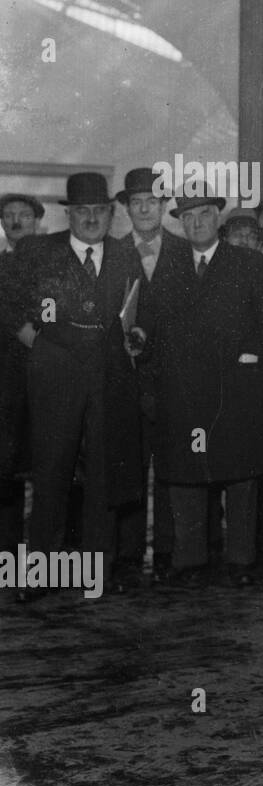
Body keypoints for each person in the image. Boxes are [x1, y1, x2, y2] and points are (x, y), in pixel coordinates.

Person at [0, 172, 148, 598]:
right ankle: (42, 573)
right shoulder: (37, 250)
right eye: (82, 211)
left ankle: (94, 573)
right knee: (51, 470)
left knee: (102, 472)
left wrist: (137, 335)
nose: (90, 218)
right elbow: (5, 298)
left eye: (98, 211)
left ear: (109, 214)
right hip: (55, 370)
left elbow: (139, 308)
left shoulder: (124, 255)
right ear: (70, 214)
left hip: (107, 371)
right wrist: (33, 338)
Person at [142, 185, 263, 588]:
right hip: (183, 393)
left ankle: (241, 560)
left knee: (242, 476)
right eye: (187, 217)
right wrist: (151, 390)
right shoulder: (169, 267)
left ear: (217, 218)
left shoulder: (248, 262)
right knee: (187, 476)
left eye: (203, 214)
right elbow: (151, 333)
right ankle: (190, 560)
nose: (195, 223)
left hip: (238, 391)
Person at [114, 168, 189, 585]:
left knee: (172, 468)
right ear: (126, 209)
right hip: (126, 380)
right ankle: (127, 556)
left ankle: (166, 552)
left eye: (152, 202)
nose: (144, 209)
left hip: (174, 381)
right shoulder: (111, 250)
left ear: (163, 207)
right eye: (136, 202)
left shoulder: (184, 251)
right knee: (128, 467)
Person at [0, 193, 43, 555]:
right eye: (9, 216)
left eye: (24, 215)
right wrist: (19, 328)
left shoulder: (54, 262)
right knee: (7, 463)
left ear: (37, 221)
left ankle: (59, 548)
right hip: (7, 379)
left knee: (54, 462)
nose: (16, 222)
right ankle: (8, 550)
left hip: (48, 375)